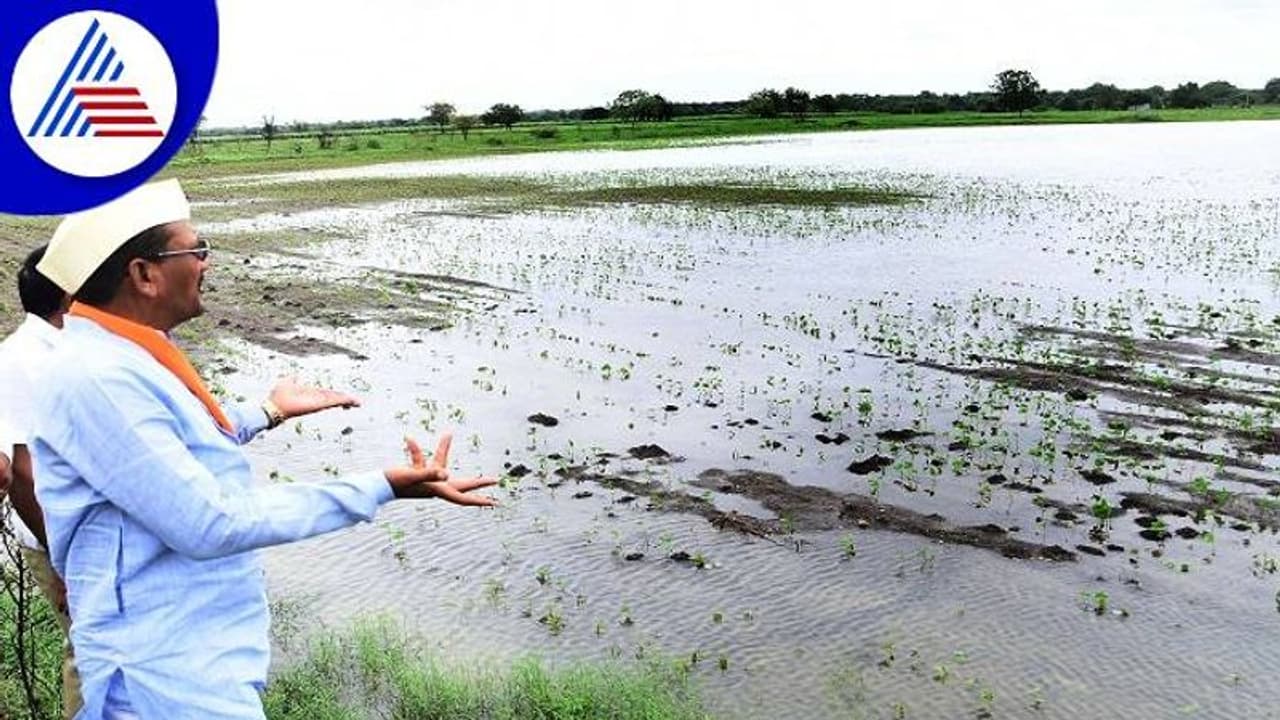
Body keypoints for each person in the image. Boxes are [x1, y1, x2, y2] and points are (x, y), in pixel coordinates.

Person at [32, 179, 496, 719]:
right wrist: (380, 485)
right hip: (158, 674)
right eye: (195, 250)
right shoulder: (98, 376)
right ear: (144, 274)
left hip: (191, 654)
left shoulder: (125, 356)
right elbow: (209, 520)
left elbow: (172, 450)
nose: (206, 263)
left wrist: (268, 411)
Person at [0, 245, 79, 718]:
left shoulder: (73, 348)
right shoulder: (17, 360)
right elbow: (22, 476)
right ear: (69, 293)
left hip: (76, 535)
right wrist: (66, 559)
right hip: (57, 540)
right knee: (90, 653)